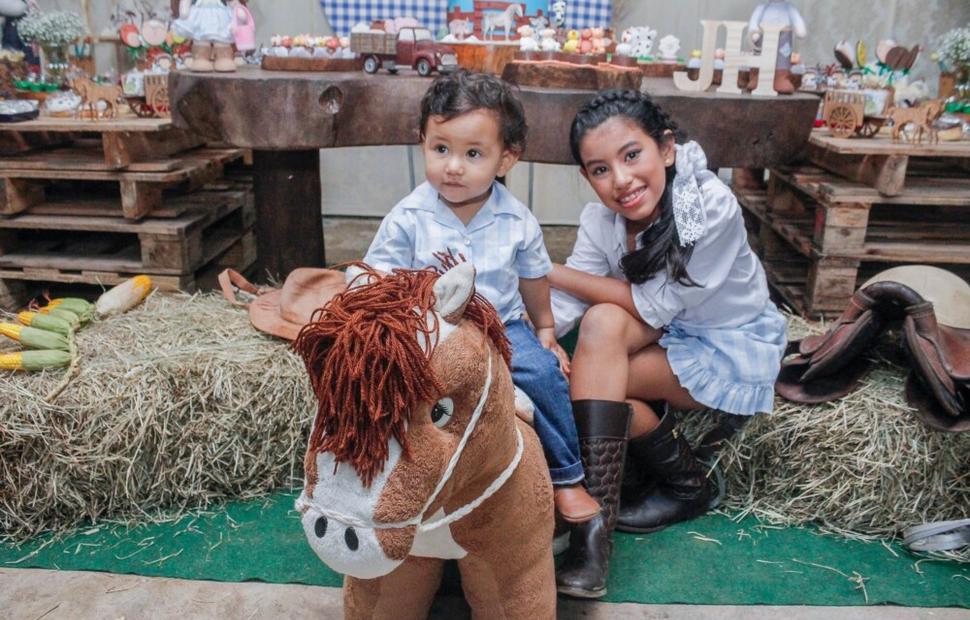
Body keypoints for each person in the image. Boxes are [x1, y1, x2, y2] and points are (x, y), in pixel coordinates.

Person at [550, 89, 787, 598]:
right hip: (666, 330)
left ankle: (591, 539)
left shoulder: (707, 208)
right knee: (599, 328)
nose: (621, 180)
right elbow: (570, 303)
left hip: (722, 341)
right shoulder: (602, 221)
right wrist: (527, 334)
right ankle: (682, 487)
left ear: (667, 148)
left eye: (631, 155)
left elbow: (653, 305)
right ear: (586, 178)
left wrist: (547, 270)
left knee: (591, 373)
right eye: (600, 169)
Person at [361, 70, 599, 525]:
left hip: (500, 327)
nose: (453, 166)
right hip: (428, 327)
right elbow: (381, 275)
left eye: (473, 154)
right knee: (389, 377)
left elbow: (533, 278)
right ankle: (380, 468)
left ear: (506, 159)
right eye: (441, 149)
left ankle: (568, 477)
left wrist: (545, 328)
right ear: (422, 143)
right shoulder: (409, 216)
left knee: (544, 374)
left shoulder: (517, 220)